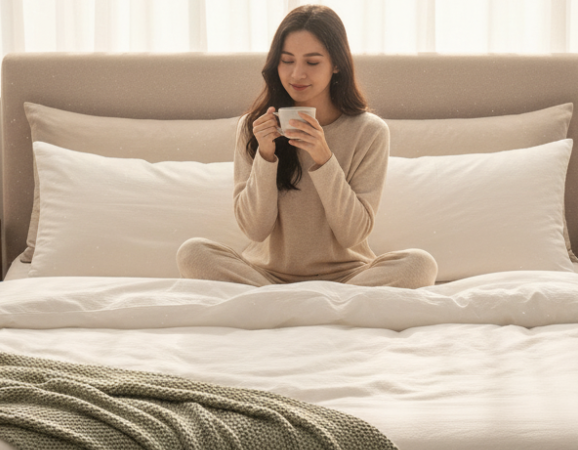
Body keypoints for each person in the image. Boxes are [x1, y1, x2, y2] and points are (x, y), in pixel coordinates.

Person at [177, 4, 437, 288]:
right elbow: (255, 229)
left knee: (420, 264)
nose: (296, 74)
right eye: (287, 60)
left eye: (312, 62)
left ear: (337, 64)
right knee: (192, 252)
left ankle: (283, 306)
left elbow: (352, 235)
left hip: (347, 277)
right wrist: (265, 155)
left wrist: (323, 158)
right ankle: (313, 307)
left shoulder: (369, 132)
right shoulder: (253, 128)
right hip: (266, 276)